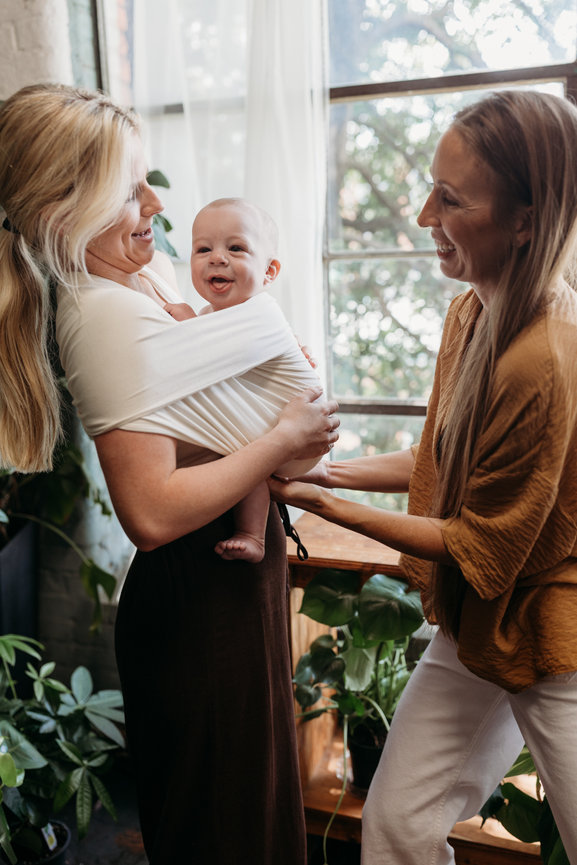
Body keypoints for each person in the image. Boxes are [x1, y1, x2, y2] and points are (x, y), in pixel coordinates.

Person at [0, 83, 339, 865]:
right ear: (63, 207)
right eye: (130, 187)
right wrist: (283, 431)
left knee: (243, 814)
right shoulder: (103, 312)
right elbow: (150, 512)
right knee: (225, 827)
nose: (154, 201)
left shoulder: (134, 285)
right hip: (197, 593)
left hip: (226, 581)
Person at [270, 89, 577, 865]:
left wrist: (320, 500)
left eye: (449, 198)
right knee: (399, 826)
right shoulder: (471, 313)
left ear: (526, 221)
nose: (420, 216)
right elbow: (436, 466)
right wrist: (318, 468)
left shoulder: (545, 358)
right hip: (480, 624)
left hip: (557, 628)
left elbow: (478, 542)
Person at [163, 196, 323, 563]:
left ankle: (253, 534)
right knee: (237, 445)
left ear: (269, 271)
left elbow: (215, 356)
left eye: (235, 248)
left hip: (290, 435)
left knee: (249, 448)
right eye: (203, 249)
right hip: (267, 428)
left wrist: (186, 322)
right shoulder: (213, 315)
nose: (217, 257)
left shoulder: (257, 313)